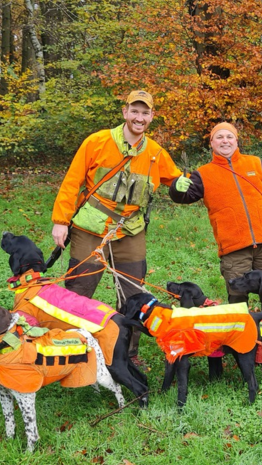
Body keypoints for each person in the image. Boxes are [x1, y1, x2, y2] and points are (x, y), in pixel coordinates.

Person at [50, 90, 183, 364]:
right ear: (125, 112)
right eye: (134, 111)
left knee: (134, 293)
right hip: (91, 228)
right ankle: (69, 350)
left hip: (131, 230)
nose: (139, 118)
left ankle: (127, 355)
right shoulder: (97, 142)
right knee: (80, 288)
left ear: (151, 117)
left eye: (145, 113)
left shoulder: (156, 153)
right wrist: (61, 222)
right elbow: (72, 181)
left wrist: (190, 184)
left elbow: (178, 181)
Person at [169, 122, 262, 304]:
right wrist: (176, 189)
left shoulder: (255, 163)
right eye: (219, 137)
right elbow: (184, 197)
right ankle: (240, 323)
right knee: (237, 297)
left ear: (236, 140)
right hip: (233, 249)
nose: (225, 141)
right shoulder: (203, 174)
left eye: (229, 136)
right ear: (212, 143)